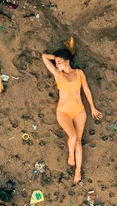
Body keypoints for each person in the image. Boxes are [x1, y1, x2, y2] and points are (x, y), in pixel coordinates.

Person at [41, 37, 102, 184]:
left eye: (60, 63)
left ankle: (78, 171)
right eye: (56, 63)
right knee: (73, 137)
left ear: (67, 62)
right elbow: (44, 57)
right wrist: (58, 58)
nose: (57, 65)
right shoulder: (58, 75)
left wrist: (93, 108)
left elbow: (86, 90)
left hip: (79, 110)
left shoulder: (79, 73)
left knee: (79, 141)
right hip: (63, 111)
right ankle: (71, 156)